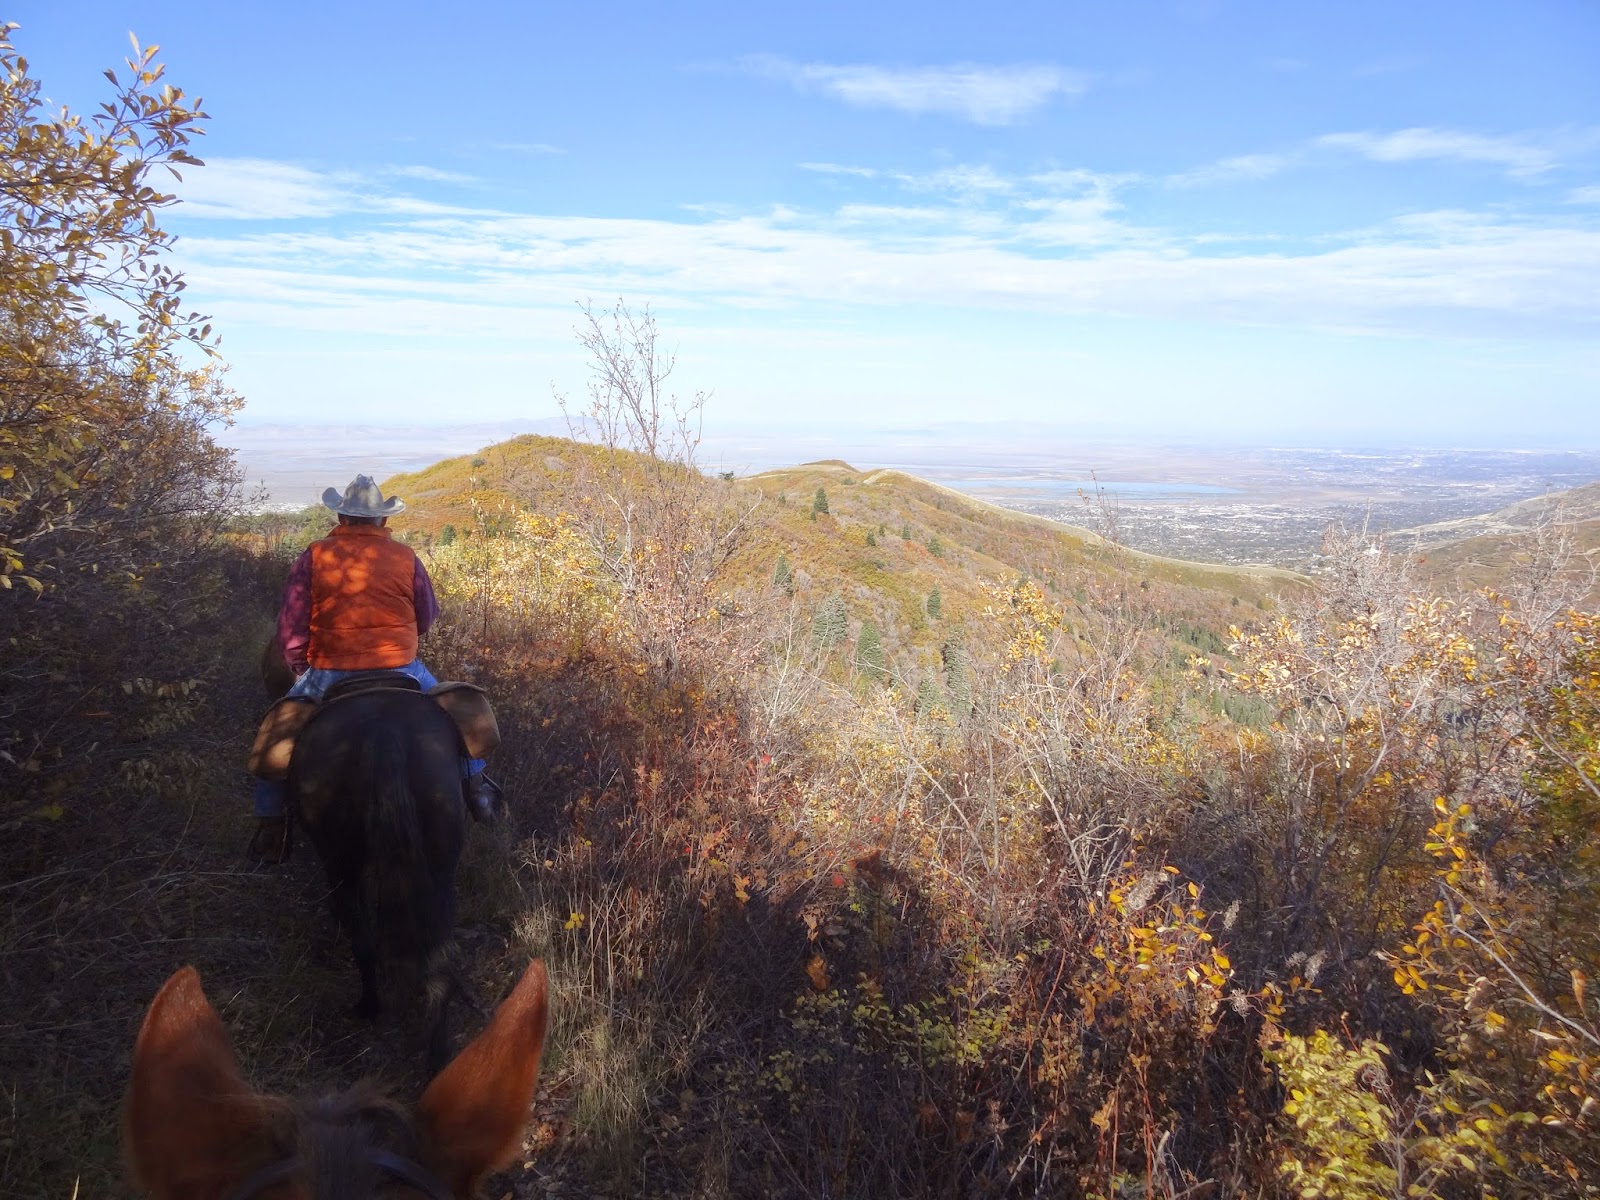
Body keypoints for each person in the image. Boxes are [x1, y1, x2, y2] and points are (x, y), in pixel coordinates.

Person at [251, 475, 500, 861]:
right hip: (402, 666)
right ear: (382, 521)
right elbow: (426, 616)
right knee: (461, 717)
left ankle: (272, 826)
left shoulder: (314, 555)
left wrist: (303, 669)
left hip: (329, 669)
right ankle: (479, 791)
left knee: (274, 736)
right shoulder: (406, 557)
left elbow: (291, 627)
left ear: (340, 515)